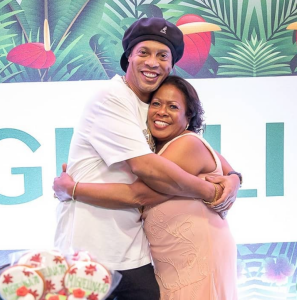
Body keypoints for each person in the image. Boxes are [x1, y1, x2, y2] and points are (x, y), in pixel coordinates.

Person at [53, 17, 241, 300]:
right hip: (93, 249)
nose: (152, 62)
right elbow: (145, 170)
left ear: (171, 64)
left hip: (133, 250)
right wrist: (209, 189)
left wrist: (235, 178)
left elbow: (206, 153)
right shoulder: (112, 98)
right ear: (128, 55)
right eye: (144, 52)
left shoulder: (150, 105)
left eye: (162, 55)